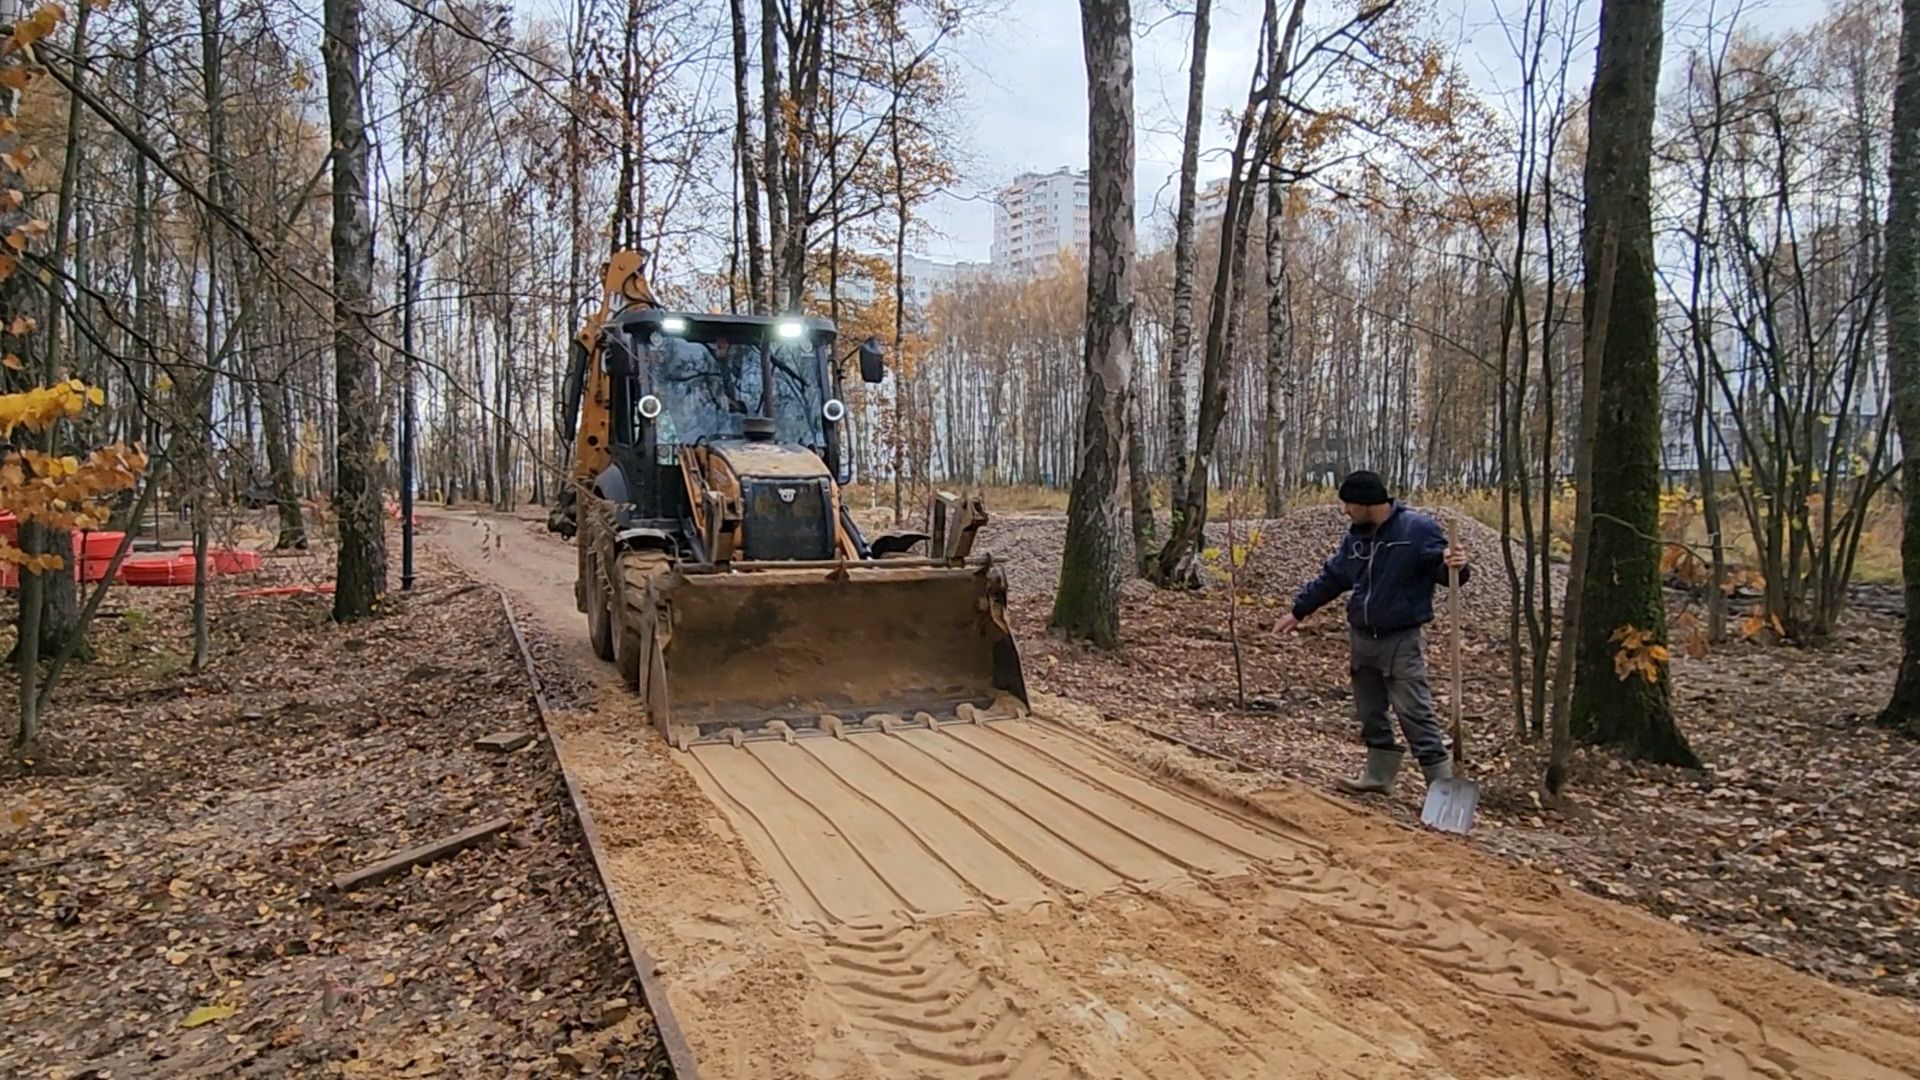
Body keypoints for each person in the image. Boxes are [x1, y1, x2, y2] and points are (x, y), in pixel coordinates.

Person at [1275, 470, 1470, 794]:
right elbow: (1335, 576)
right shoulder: (1357, 536)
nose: (1344, 511)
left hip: (1401, 637)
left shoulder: (1417, 530)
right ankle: (1378, 777)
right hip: (1362, 635)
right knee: (1369, 712)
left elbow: (1446, 574)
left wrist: (1456, 564)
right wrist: (1299, 610)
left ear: (1368, 502)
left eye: (1349, 503)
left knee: (1414, 712)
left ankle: (1442, 789)